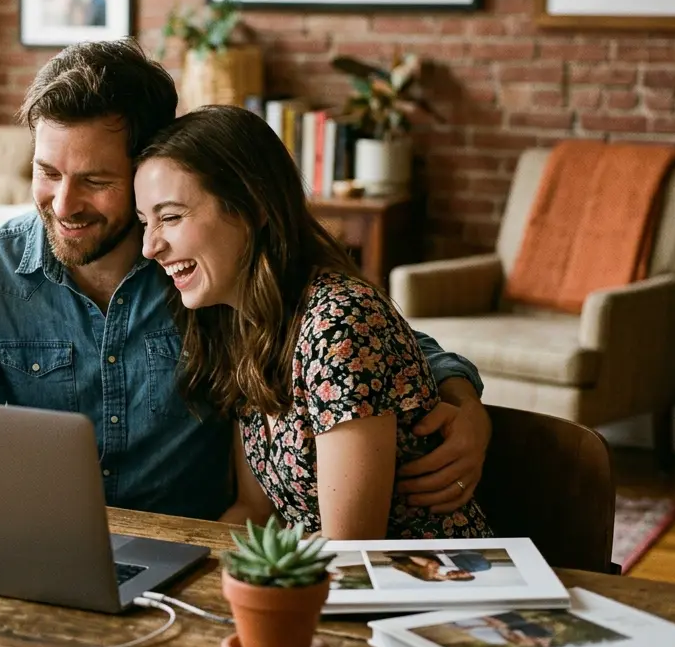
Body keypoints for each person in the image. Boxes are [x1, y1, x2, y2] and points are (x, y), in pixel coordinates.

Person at [0, 38, 491, 523]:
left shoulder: (204, 269)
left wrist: (462, 398)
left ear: (147, 167)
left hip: (193, 551)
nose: (65, 203)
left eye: (96, 180)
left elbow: (356, 344)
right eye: (47, 172)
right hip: (43, 547)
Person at [135, 105, 491, 539]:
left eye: (170, 217)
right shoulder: (242, 325)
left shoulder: (340, 322)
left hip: (425, 587)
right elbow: (256, 512)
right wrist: (178, 558)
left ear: (252, 206)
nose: (149, 247)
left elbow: (351, 549)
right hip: (323, 584)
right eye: (144, 222)